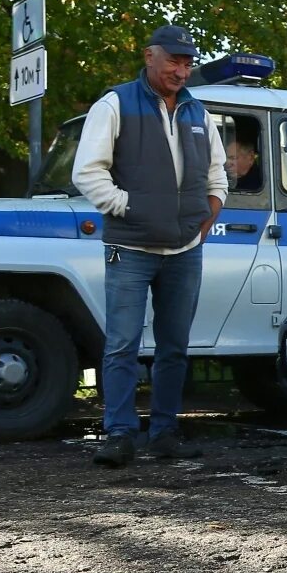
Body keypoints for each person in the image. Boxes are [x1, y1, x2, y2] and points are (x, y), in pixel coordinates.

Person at [73, 24, 227, 467]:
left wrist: (208, 214)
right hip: (132, 247)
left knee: (174, 346)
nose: (181, 70)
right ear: (149, 57)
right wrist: (128, 207)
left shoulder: (198, 111)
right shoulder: (115, 103)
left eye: (187, 63)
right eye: (173, 61)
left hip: (185, 249)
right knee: (122, 344)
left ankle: (164, 433)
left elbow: (218, 175)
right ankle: (119, 433)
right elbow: (88, 172)